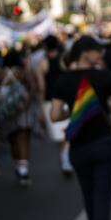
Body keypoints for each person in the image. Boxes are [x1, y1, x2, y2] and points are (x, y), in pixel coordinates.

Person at [50, 36, 111, 220]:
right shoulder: (106, 76)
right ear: (85, 53)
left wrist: (72, 112)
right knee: (102, 198)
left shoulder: (63, 80)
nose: (101, 54)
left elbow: (54, 115)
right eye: (98, 50)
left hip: (79, 147)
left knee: (88, 195)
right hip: (105, 143)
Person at [0, 49, 36, 186]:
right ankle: (23, 170)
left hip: (5, 112)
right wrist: (27, 103)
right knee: (23, 138)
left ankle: (18, 167)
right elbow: (32, 87)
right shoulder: (22, 73)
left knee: (12, 138)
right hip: (22, 110)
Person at [37, 35, 72, 175]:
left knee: (59, 133)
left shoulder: (43, 63)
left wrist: (40, 108)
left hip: (50, 101)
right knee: (68, 131)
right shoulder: (64, 59)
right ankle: (66, 158)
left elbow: (41, 87)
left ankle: (65, 159)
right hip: (66, 99)